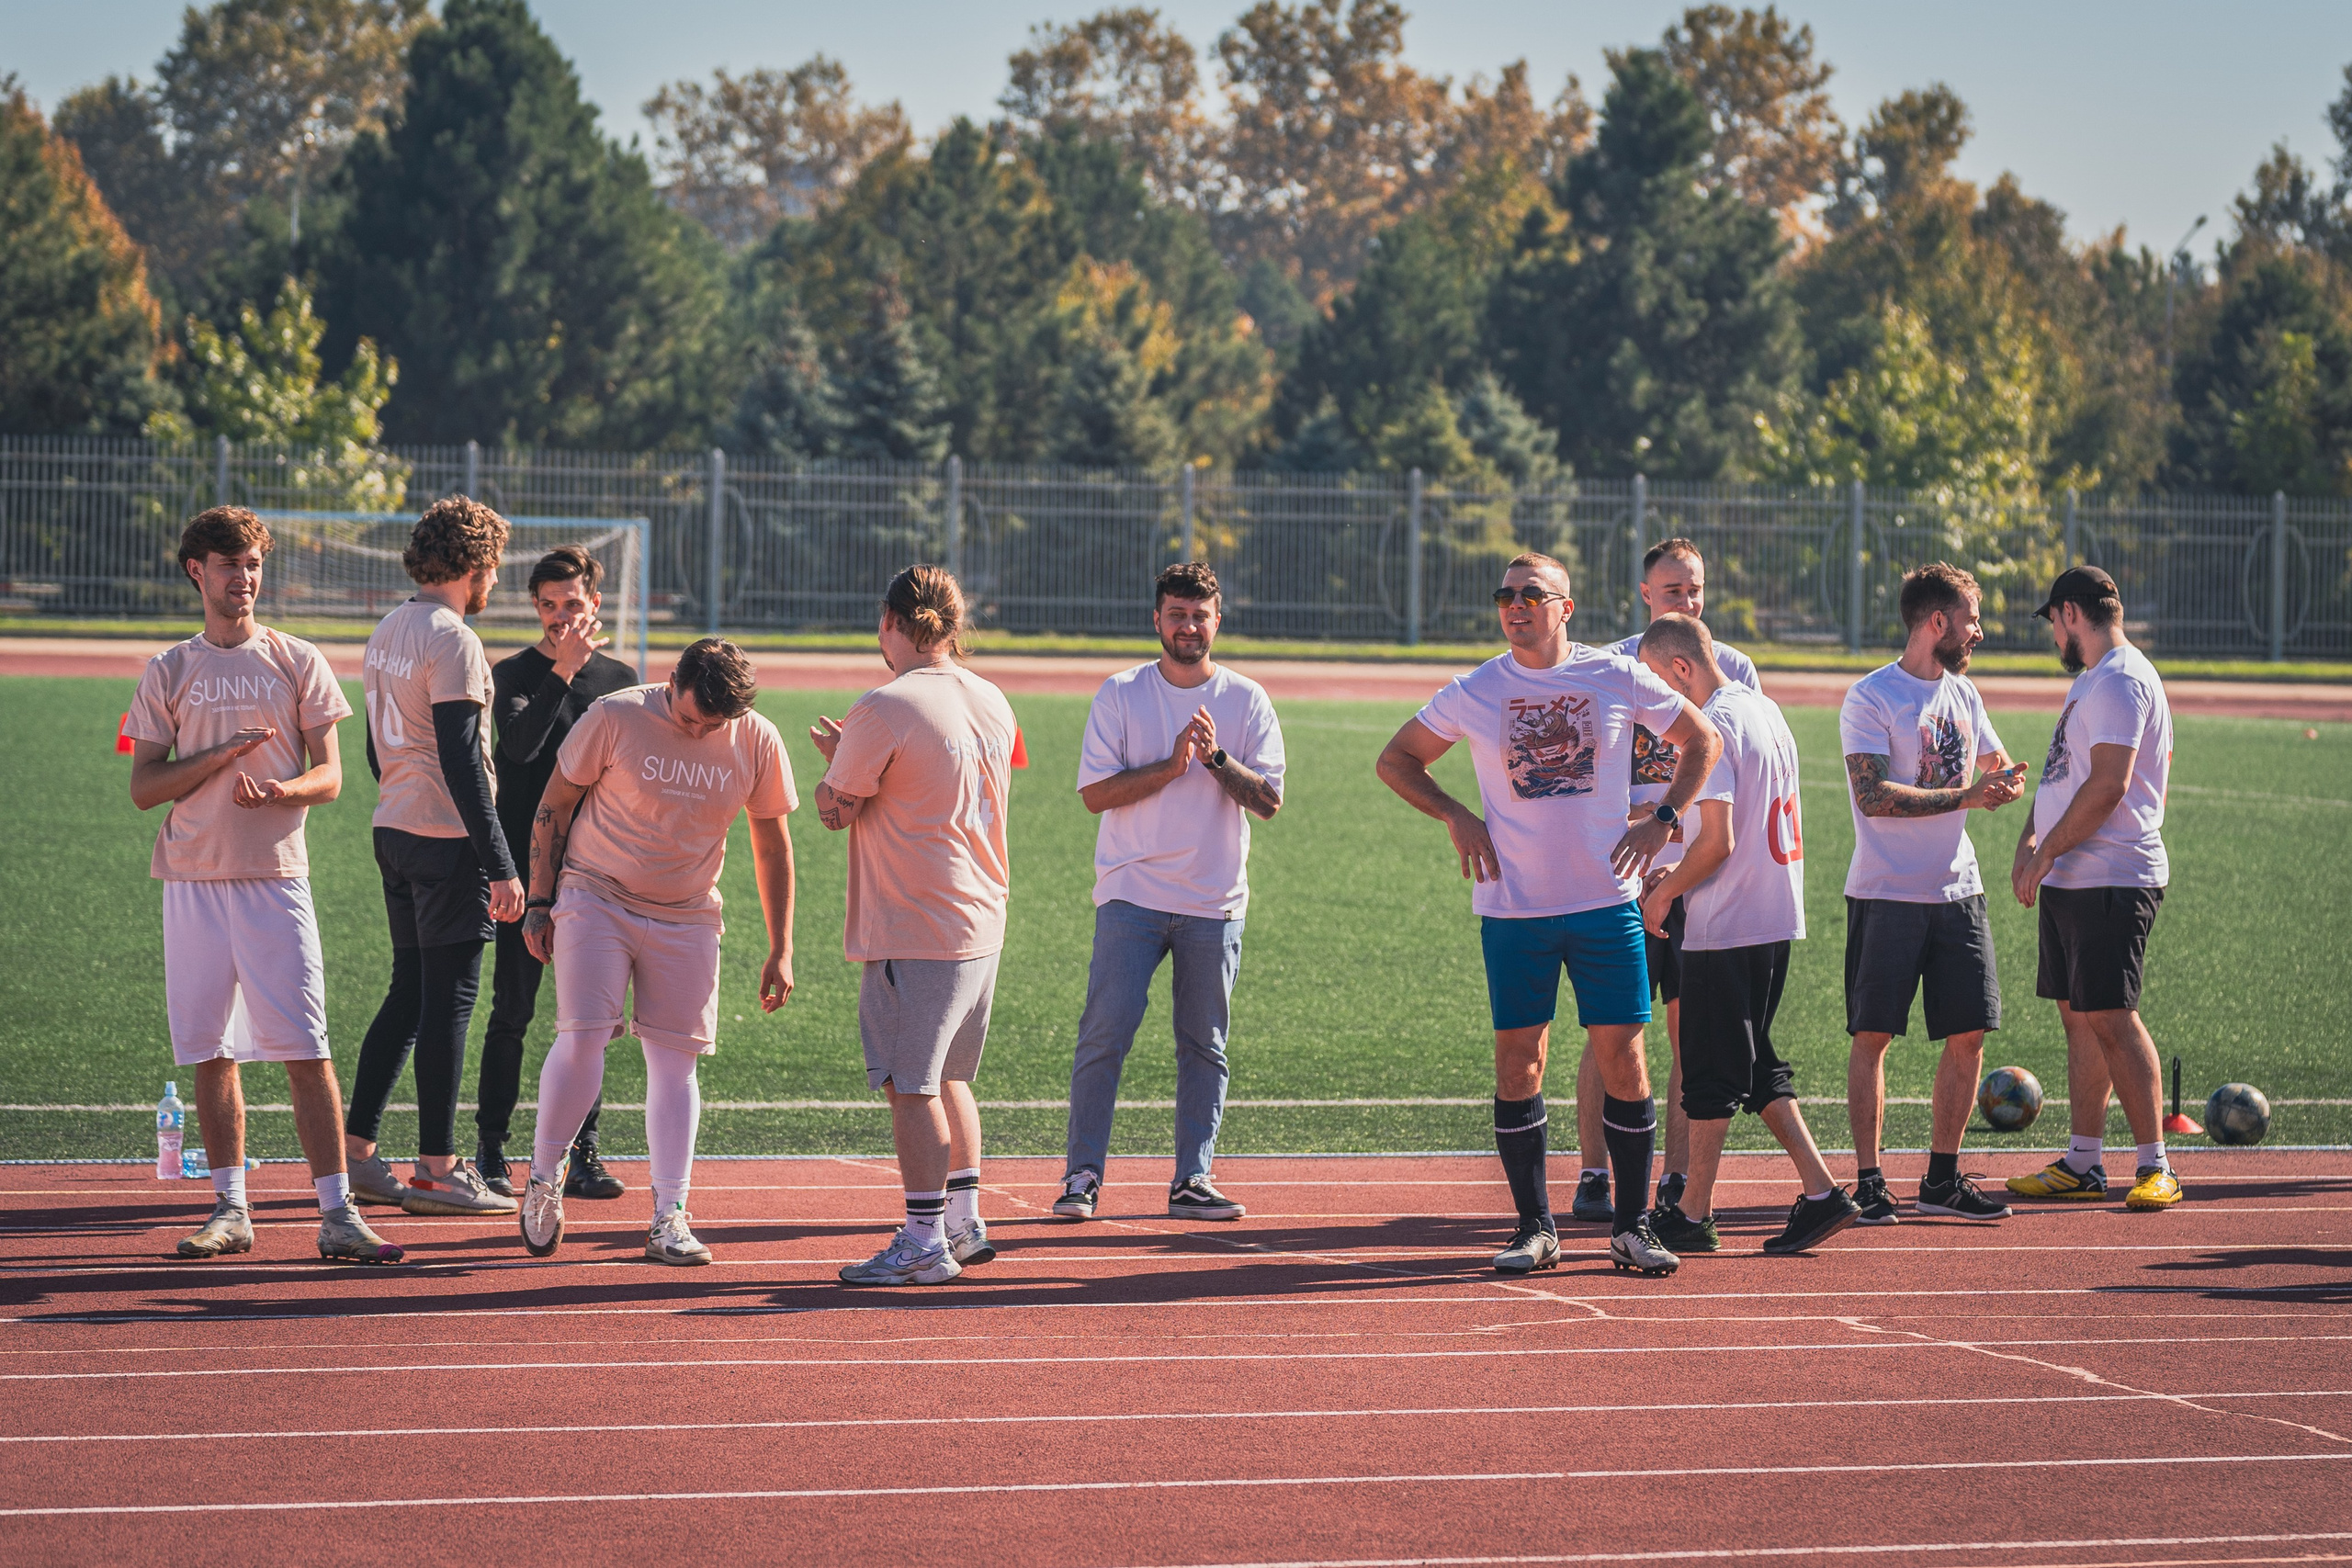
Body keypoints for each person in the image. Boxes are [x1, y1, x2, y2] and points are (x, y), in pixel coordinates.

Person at [1376, 553, 1722, 1279]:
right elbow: (1398, 758)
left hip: (1606, 906)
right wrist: (1456, 814)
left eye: (1532, 594)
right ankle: (1535, 1226)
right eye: (1505, 594)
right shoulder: (1477, 688)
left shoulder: (1615, 675)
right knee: (1518, 1061)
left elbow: (1703, 739)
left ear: (1566, 607)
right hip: (1515, 910)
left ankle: (1631, 1227)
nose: (1515, 605)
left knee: (1624, 1059)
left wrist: (1663, 818)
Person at [125, 507, 403, 1264]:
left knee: (306, 1047)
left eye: (253, 564)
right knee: (210, 1050)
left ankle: (338, 1213)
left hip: (276, 880)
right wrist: (217, 756)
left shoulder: (296, 658)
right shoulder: (168, 669)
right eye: (229, 565)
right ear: (197, 571)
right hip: (191, 880)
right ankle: (231, 1209)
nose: (244, 578)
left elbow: (332, 775)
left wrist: (282, 790)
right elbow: (144, 786)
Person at [516, 638, 797, 1265]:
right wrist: (539, 901)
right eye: (690, 716)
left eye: (712, 725)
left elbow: (773, 844)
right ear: (672, 681)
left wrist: (781, 947)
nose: (697, 731)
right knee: (585, 1034)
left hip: (688, 911)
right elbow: (554, 804)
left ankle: (670, 1215)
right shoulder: (615, 716)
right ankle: (544, 1176)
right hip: (596, 892)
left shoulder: (757, 739)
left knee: (676, 1063)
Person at [1054, 561, 1285, 1224]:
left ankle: (1193, 1178)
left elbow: (1268, 801)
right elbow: (1096, 794)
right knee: (1104, 1035)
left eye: (1200, 616)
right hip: (1131, 894)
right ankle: (1082, 1176)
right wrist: (1171, 765)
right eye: (1177, 615)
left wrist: (1216, 760)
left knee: (1204, 1045)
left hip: (1214, 902)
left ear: (1218, 621)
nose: (1189, 626)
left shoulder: (1247, 699)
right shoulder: (1121, 693)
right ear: (1156, 619)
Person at [812, 566, 1018, 1287]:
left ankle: (925, 1238)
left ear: (890, 621)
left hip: (917, 921)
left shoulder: (885, 704)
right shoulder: (991, 696)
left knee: (912, 1085)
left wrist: (836, 767)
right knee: (952, 1076)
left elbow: (835, 809)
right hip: (980, 916)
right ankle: (962, 1220)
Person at [1633, 615, 1860, 1256]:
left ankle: (1692, 1213)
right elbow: (1739, 822)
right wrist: (1668, 847)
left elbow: (1720, 842)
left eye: (1656, 682)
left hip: (1726, 920)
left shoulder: (1713, 726)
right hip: (1770, 911)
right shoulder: (1763, 709)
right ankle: (1822, 1192)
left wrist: (1666, 891)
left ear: (1681, 669)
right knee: (1754, 1062)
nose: (1654, 703)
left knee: (1709, 1072)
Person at [345, 496, 524, 1219]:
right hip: (446, 842)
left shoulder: (389, 627)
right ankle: (437, 1169)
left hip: (395, 829)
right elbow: (461, 759)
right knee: (447, 1002)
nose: (496, 582)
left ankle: (359, 1155)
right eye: (494, 568)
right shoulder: (454, 639)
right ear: (474, 564)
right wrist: (501, 863)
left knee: (410, 993)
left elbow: (374, 747)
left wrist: (402, 800)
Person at [1840, 562, 2028, 1225]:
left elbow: (1994, 764)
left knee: (1970, 1033)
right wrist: (1970, 796)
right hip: (1886, 892)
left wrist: (2005, 782)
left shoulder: (1965, 694)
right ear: (1937, 622)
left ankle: (1942, 1180)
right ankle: (1869, 1183)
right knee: (1873, 1035)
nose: (1980, 631)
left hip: (1958, 891)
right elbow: (1873, 795)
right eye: (1972, 619)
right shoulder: (1870, 696)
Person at [1585, 537, 1764, 1224]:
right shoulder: (1613, 664)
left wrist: (1687, 842)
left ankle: (1677, 1176)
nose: (1686, 601)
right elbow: (1592, 767)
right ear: (1645, 595)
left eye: (1694, 589)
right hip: (1628, 869)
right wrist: (1638, 828)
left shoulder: (1735, 668)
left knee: (1691, 1029)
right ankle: (1594, 1172)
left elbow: (1740, 770)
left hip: (1699, 873)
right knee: (1610, 1029)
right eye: (1672, 591)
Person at [2005, 566, 2182, 1212]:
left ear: (2071, 613)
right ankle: (2083, 1160)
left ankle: (2156, 1164)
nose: (2054, 634)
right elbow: (2062, 775)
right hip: (2073, 875)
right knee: (2080, 1017)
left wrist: (2048, 849)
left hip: (2111, 874)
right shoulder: (2093, 679)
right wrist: (2031, 840)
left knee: (2111, 1014)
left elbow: (2109, 784)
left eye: (2054, 620)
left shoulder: (2121, 678)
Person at [474, 546, 639, 1201]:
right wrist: (562, 672)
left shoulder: (620, 677)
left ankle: (582, 1153)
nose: (561, 617)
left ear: (595, 603)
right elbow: (518, 749)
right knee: (512, 1010)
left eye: (573, 604)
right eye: (548, 606)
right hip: (522, 870)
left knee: (587, 1022)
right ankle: (491, 1150)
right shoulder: (513, 673)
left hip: (595, 872)